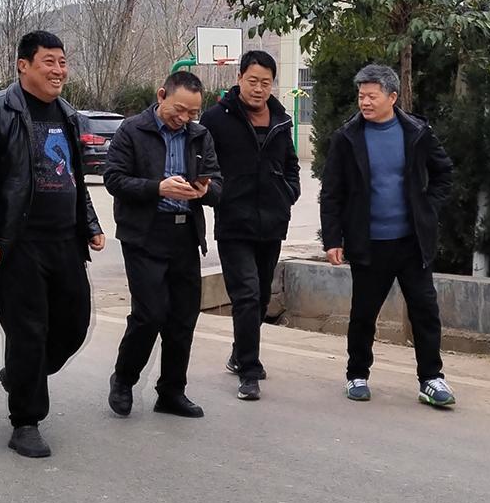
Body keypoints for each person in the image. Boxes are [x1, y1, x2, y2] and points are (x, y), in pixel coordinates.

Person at [0, 30, 105, 459]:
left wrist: (90, 224)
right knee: (28, 332)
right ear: (23, 65)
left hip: (65, 241)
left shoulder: (69, 115)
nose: (59, 70)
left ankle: (22, 374)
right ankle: (26, 421)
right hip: (18, 243)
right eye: (49, 62)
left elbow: (74, 179)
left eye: (62, 62)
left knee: (75, 325)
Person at [319, 64, 456, 408]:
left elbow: (444, 173)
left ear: (392, 97)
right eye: (361, 96)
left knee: (425, 310)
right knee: (363, 314)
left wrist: (427, 208)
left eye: (372, 96)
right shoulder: (347, 138)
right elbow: (332, 193)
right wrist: (333, 239)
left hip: (412, 242)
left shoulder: (416, 132)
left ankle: (431, 378)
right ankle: (357, 375)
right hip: (369, 243)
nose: (364, 102)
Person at [103, 70, 222, 420]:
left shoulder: (200, 135)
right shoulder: (132, 130)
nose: (184, 118)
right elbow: (114, 179)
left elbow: (218, 184)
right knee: (150, 314)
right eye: (179, 110)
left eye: (192, 113)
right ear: (161, 96)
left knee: (183, 317)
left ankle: (171, 391)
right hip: (145, 235)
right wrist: (158, 187)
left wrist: (204, 191)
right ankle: (124, 379)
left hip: (185, 235)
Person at [200, 50, 300, 401]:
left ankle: (238, 353)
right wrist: (215, 193)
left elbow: (290, 164)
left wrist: (289, 192)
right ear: (239, 78)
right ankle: (249, 370)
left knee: (260, 298)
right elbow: (203, 162)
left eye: (266, 83)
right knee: (246, 295)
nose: (259, 89)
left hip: (272, 222)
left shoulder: (281, 119)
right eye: (253, 81)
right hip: (234, 222)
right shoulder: (215, 119)